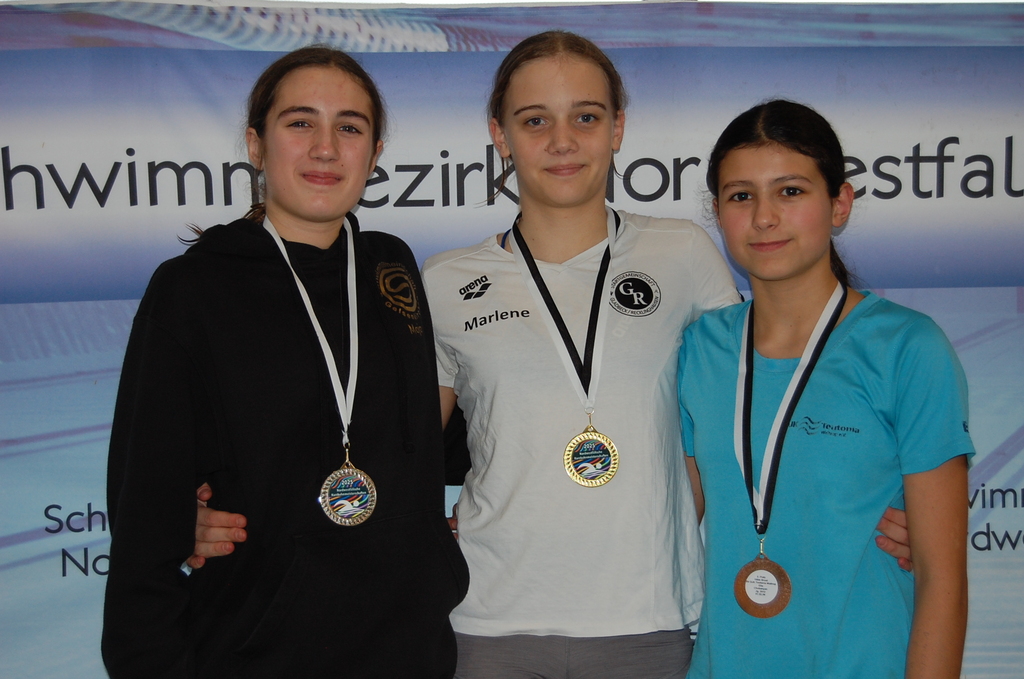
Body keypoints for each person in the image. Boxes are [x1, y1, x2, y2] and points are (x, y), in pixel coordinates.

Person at [188, 33, 915, 677]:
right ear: (500, 135)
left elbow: (756, 411)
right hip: (488, 624)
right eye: (535, 120)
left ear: (618, 128)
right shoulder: (441, 281)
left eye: (586, 117)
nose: (562, 141)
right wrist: (224, 514)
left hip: (648, 623)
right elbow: (385, 453)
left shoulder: (685, 253)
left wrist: (876, 503)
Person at [102, 46, 468, 678]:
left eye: (349, 127)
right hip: (258, 654)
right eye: (300, 122)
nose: (326, 148)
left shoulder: (392, 268)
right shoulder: (193, 289)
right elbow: (146, 514)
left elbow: (420, 438)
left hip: (410, 654)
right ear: (256, 144)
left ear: (374, 154)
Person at [679, 99, 970, 678]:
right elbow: (667, 520)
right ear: (718, 212)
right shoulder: (700, 349)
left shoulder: (906, 348)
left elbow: (943, 580)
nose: (764, 217)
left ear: (839, 203)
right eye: (741, 196)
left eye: (790, 191)